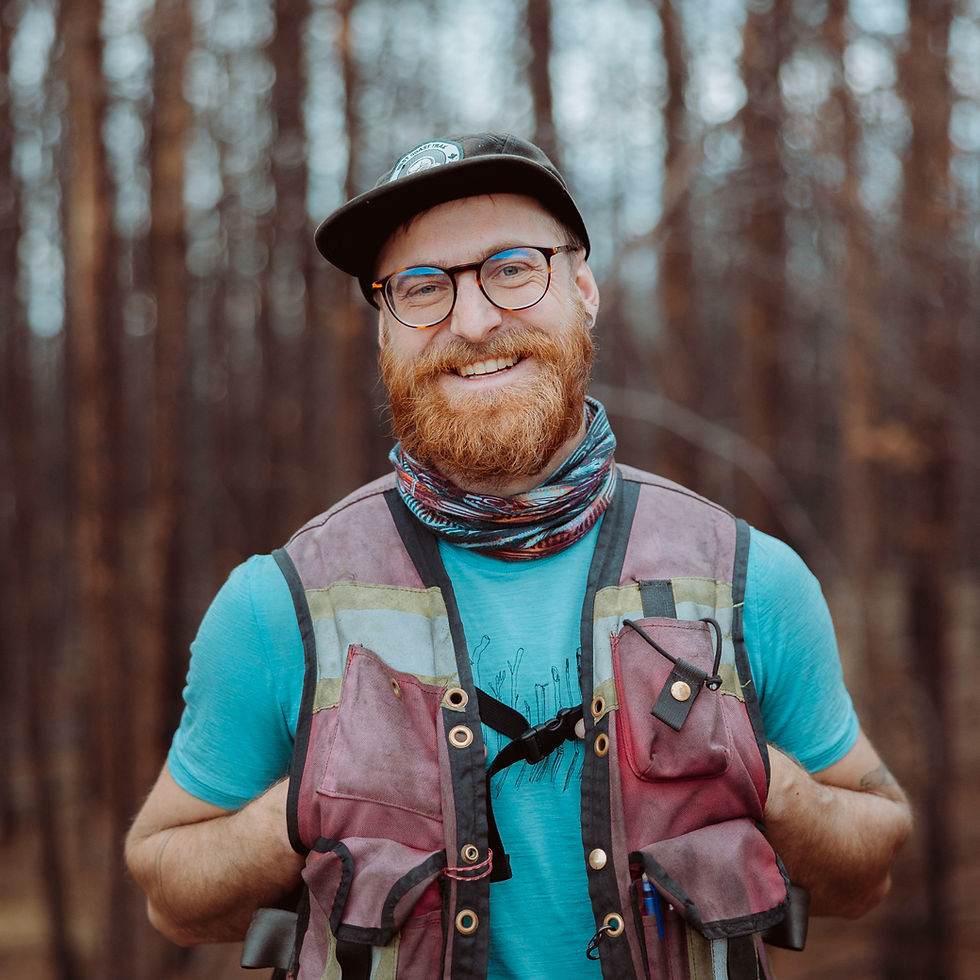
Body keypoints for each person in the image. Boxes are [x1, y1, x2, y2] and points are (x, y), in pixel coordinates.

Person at [126, 133, 912, 980]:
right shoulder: (283, 602)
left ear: (583, 289)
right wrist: (301, 806)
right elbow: (171, 895)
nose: (472, 322)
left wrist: (768, 779)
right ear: (385, 331)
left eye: (511, 269)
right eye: (421, 287)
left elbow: (868, 872)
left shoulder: (746, 580)